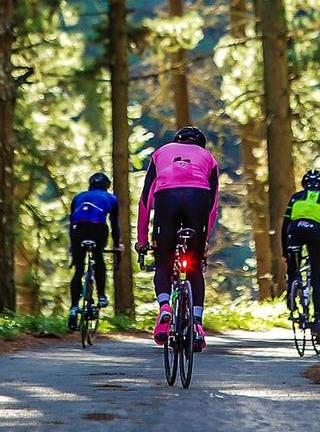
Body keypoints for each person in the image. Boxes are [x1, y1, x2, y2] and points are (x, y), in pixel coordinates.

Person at [135, 125, 219, 352]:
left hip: (166, 198)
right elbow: (213, 206)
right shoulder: (208, 158)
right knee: (194, 269)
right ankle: (197, 325)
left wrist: (142, 240)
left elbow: (145, 201)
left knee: (163, 263)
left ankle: (164, 307)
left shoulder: (160, 152)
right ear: (199, 145)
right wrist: (203, 240)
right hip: (197, 198)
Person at [282, 169, 320, 346]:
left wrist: (285, 251)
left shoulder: (295, 197)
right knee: (315, 278)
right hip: (315, 234)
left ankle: (291, 298)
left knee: (293, 268)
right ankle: (317, 321)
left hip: (294, 231)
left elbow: (285, 226)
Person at [67, 171, 121, 331]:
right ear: (107, 186)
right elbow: (114, 225)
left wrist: (73, 246)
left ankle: (74, 307)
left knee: (79, 269)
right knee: (98, 258)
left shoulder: (78, 197)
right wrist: (117, 245)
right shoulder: (111, 198)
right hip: (98, 229)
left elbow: (72, 221)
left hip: (77, 230)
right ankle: (102, 295)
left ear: (90, 185)